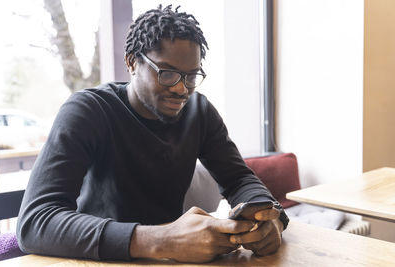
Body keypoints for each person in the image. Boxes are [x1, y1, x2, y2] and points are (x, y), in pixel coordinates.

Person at [17, 5, 289, 263]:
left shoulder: (199, 112)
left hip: (170, 261)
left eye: (191, 76)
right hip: (97, 259)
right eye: (168, 74)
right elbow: (36, 221)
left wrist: (268, 218)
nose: (182, 89)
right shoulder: (89, 111)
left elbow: (239, 177)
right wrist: (162, 239)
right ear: (132, 62)